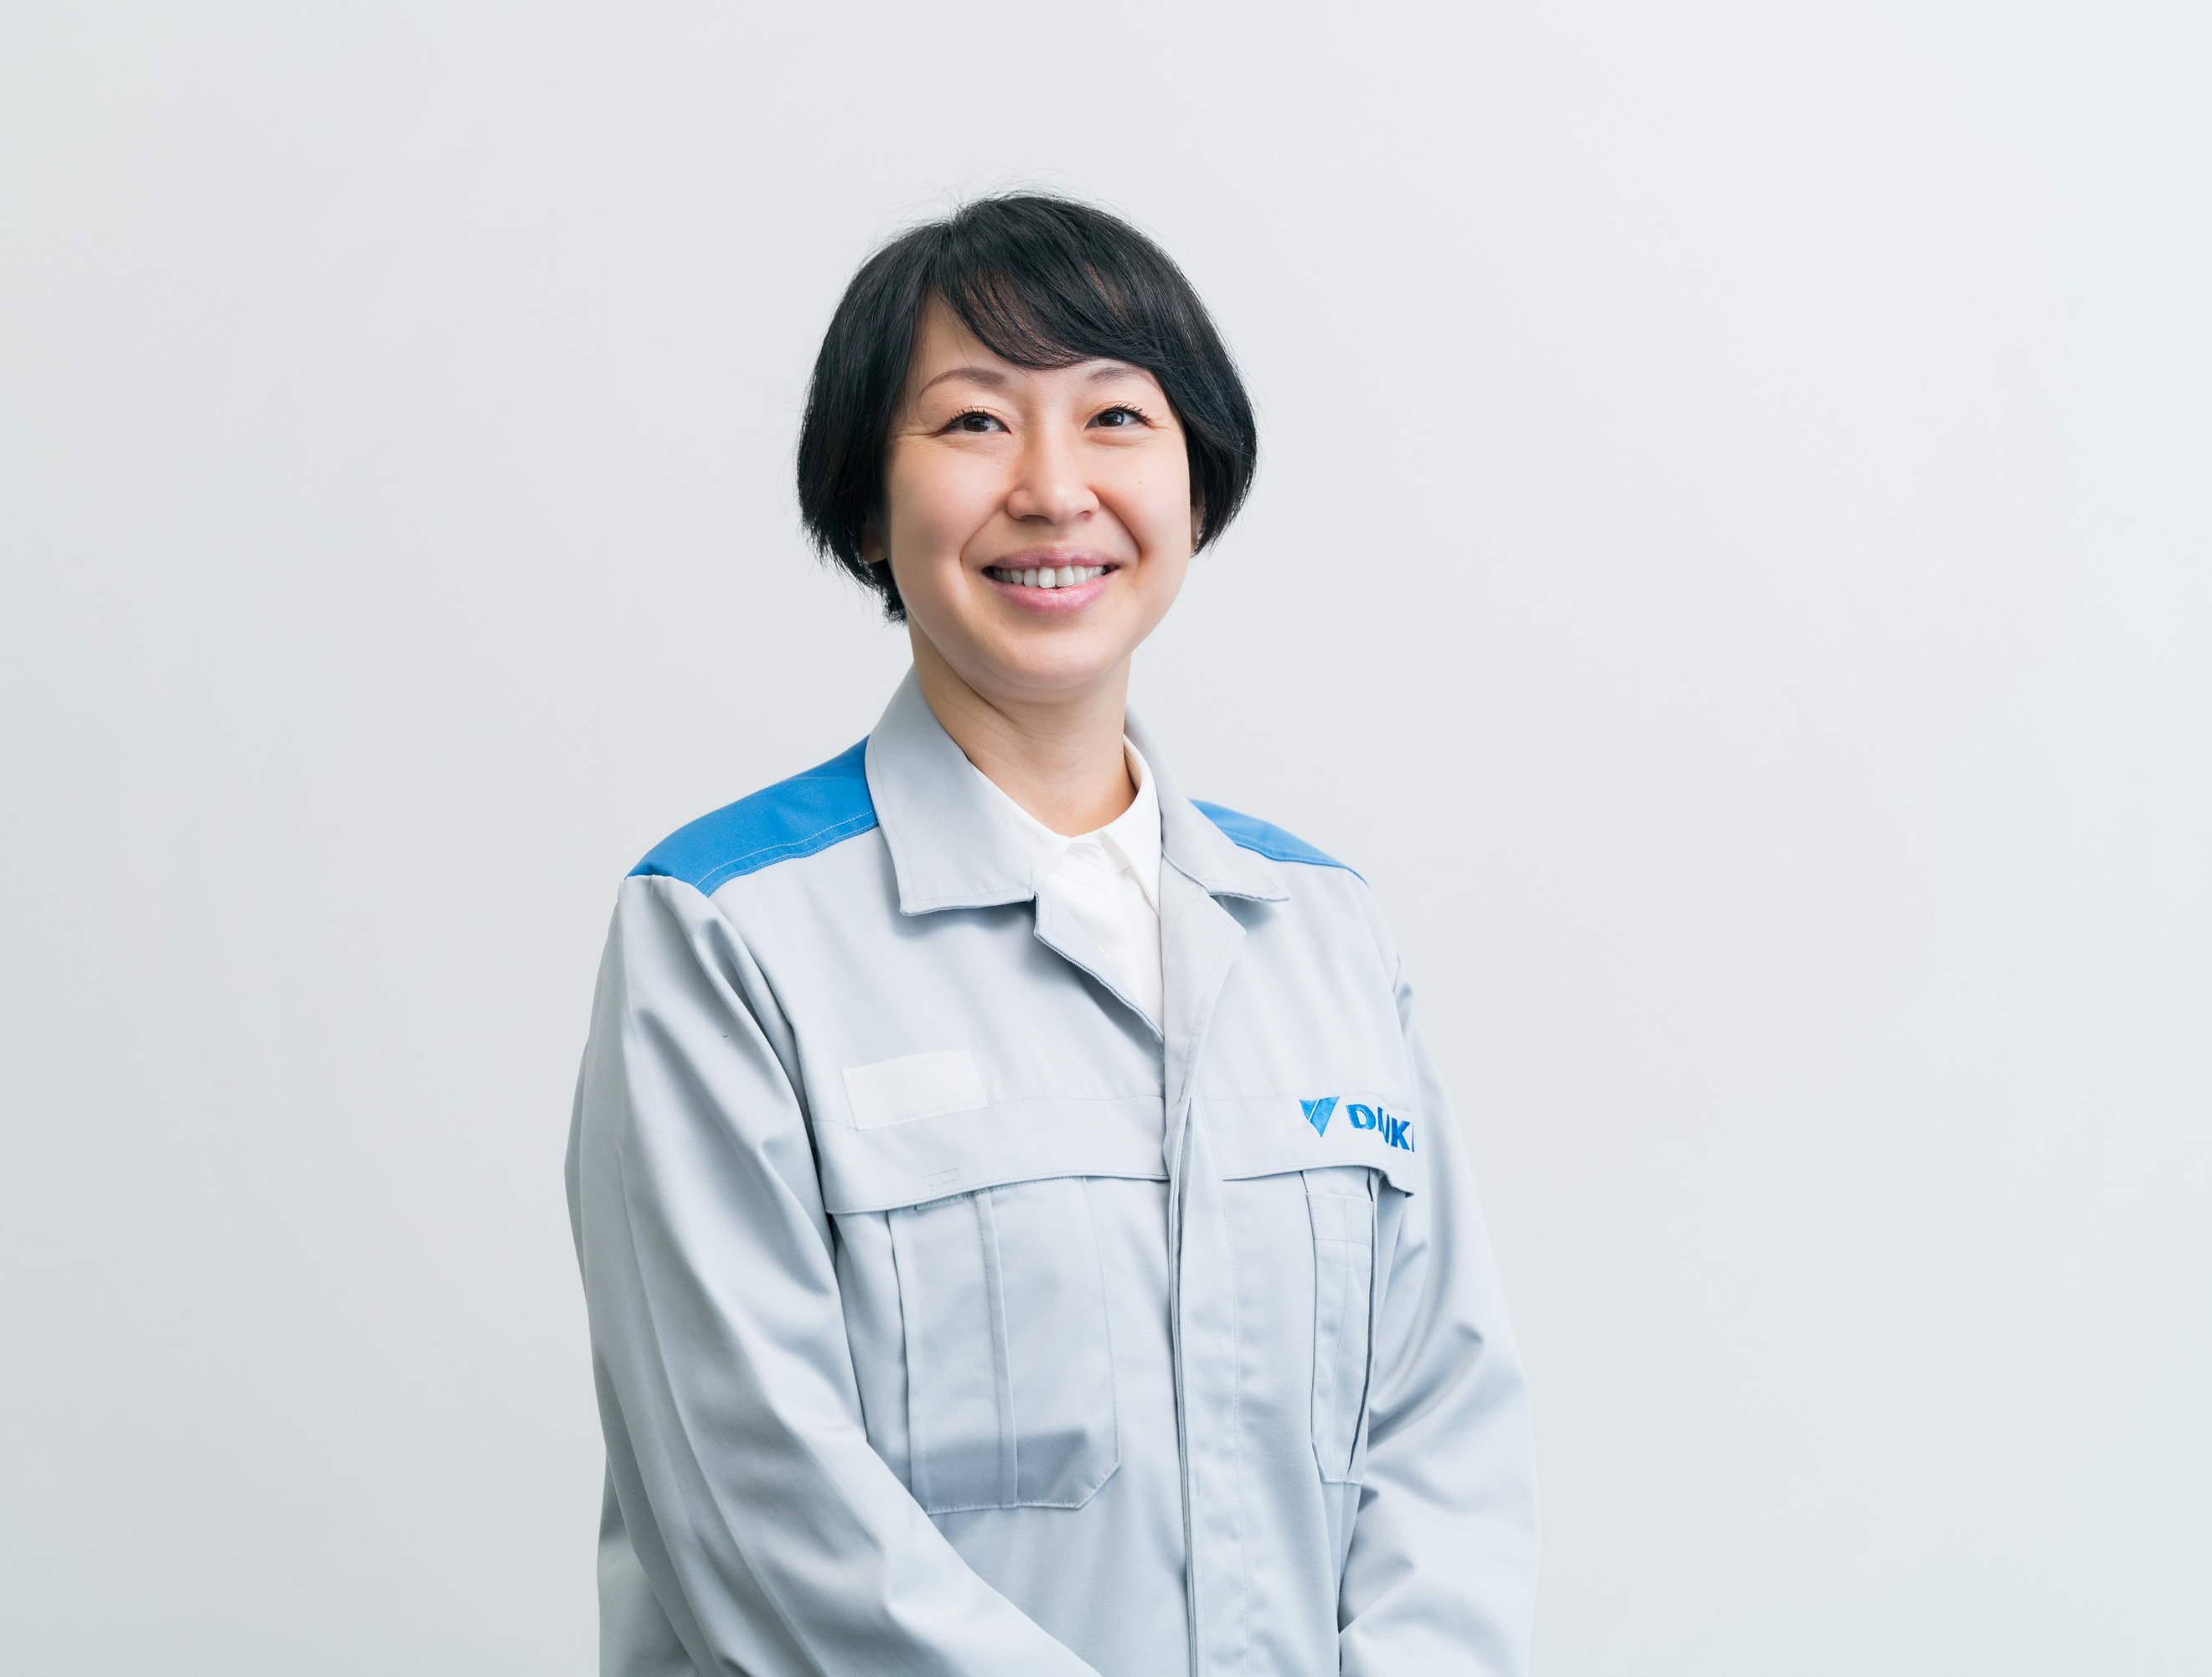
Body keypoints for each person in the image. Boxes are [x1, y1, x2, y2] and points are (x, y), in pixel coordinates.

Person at [566, 194, 1537, 1677]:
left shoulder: (1321, 928)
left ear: (1196, 487)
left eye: (1117, 417)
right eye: (973, 422)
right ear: (867, 503)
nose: (1053, 487)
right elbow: (764, 1521)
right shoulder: (726, 936)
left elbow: (1444, 1444)